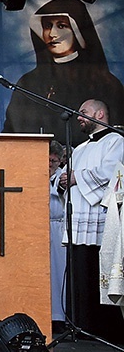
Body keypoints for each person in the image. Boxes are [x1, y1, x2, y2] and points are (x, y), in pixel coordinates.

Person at [2, 0, 124, 147]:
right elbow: (10, 134)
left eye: (61, 26)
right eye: (47, 26)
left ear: (77, 30)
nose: (52, 33)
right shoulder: (28, 83)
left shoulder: (107, 83)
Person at [58, 99, 124, 342]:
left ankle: (103, 331)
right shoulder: (81, 147)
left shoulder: (116, 140)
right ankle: (79, 326)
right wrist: (64, 181)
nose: (79, 117)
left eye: (83, 113)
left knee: (97, 275)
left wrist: (76, 178)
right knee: (78, 275)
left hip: (101, 221)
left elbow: (111, 173)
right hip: (78, 222)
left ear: (100, 113)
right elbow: (69, 177)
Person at [48, 140, 66, 331]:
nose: (50, 165)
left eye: (53, 161)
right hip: (38, 227)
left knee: (58, 274)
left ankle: (59, 316)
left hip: (57, 227)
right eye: (47, 160)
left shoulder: (62, 176)